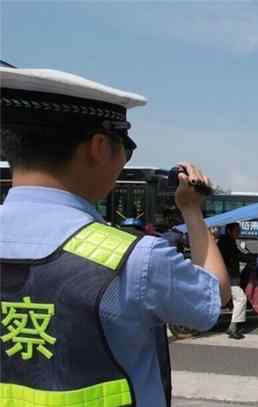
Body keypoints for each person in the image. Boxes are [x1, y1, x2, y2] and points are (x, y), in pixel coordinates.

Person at [0, 65, 230, 407]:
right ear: (98, 146)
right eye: (126, 146)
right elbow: (214, 293)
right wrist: (193, 210)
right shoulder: (134, 259)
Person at [217, 222, 257, 339]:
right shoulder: (227, 242)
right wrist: (252, 258)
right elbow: (237, 256)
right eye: (237, 231)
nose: (239, 233)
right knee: (241, 299)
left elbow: (237, 254)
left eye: (239, 231)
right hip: (228, 277)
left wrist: (251, 256)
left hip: (227, 275)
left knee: (236, 299)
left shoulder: (227, 240)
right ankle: (233, 328)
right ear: (229, 231)